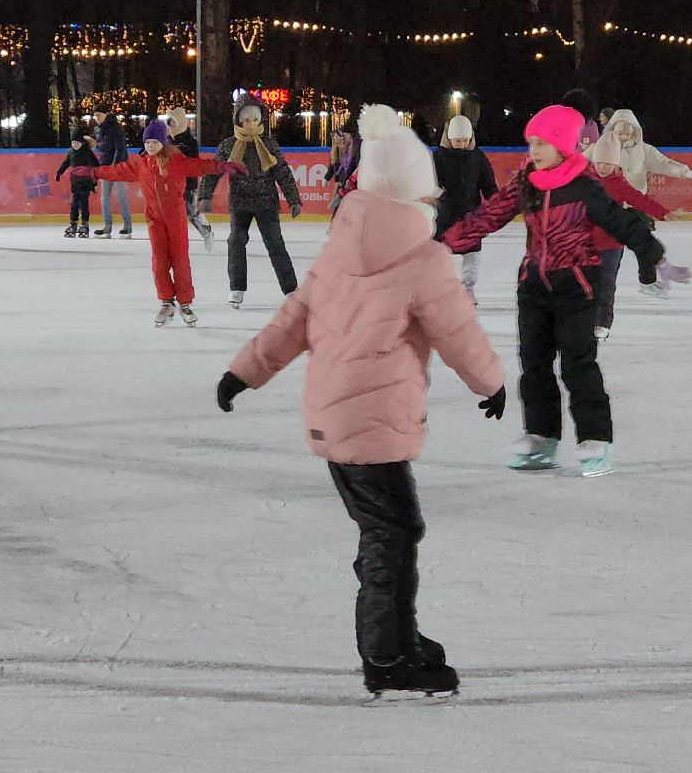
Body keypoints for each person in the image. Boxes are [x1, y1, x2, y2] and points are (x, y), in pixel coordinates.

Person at [215, 104, 506, 700]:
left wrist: (242, 373)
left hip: (333, 419)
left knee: (393, 529)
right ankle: (387, 656)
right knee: (392, 535)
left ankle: (400, 635)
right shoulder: (424, 259)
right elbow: (459, 334)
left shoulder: (338, 251)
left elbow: (290, 321)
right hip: (372, 425)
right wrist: (493, 383)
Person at [443, 105, 674, 477]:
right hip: (534, 285)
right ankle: (541, 437)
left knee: (578, 365)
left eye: (541, 143)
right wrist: (441, 244)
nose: (533, 150)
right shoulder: (527, 182)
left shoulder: (584, 187)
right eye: (531, 142)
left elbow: (620, 221)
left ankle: (595, 440)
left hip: (578, 284)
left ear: (563, 146)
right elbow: (488, 216)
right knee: (533, 364)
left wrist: (654, 256)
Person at [88, 116, 244, 326]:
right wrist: (93, 172)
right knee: (159, 261)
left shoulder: (177, 161)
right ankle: (166, 303)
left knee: (180, 260)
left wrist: (222, 167)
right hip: (154, 218)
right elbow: (117, 171)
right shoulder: (141, 165)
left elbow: (200, 166)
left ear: (163, 142)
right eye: (147, 142)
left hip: (176, 217)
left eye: (154, 142)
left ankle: (185, 304)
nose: (150, 146)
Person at [199, 101, 301, 308]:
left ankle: (291, 288)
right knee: (236, 241)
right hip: (240, 202)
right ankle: (237, 288)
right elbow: (214, 170)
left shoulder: (269, 145)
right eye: (246, 120)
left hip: (267, 203)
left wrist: (293, 200)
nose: (251, 124)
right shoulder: (228, 145)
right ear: (238, 121)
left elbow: (282, 172)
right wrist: (205, 195)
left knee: (275, 244)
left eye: (255, 119)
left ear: (261, 120)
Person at [587, 131, 674, 340]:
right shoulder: (585, 182)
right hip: (585, 243)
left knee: (606, 284)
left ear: (615, 164)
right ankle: (583, 321)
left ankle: (602, 323)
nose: (603, 167)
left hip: (611, 244)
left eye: (608, 163)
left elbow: (639, 199)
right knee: (585, 285)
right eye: (600, 162)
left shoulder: (620, 184)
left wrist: (663, 212)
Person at [431, 115, 496, 303]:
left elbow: (489, 185)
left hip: (471, 214)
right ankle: (442, 288)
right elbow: (429, 182)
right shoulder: (437, 157)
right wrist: (436, 195)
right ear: (449, 138)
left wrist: (495, 205)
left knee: (472, 252)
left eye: (465, 140)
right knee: (441, 252)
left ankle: (468, 287)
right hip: (444, 214)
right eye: (458, 140)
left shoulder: (477, 157)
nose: (461, 144)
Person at [596, 108, 692, 193]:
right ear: (612, 131)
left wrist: (684, 172)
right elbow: (584, 161)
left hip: (635, 203)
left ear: (634, 132)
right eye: (620, 134)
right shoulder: (601, 148)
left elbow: (663, 164)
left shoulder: (645, 151)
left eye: (627, 134)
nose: (624, 137)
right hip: (609, 204)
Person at [165, 109, 216, 249]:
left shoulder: (190, 142)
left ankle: (207, 233)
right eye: (169, 122)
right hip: (170, 183)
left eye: (173, 122)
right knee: (172, 213)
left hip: (188, 183)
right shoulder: (166, 140)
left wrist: (175, 152)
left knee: (192, 211)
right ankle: (173, 241)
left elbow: (191, 162)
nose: (171, 126)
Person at [93, 112, 134, 239]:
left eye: (99, 115)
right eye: (95, 116)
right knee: (104, 197)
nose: (96, 118)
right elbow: (101, 148)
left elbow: (120, 148)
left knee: (121, 195)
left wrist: (115, 165)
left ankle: (127, 226)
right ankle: (107, 226)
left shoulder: (116, 128)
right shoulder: (97, 129)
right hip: (105, 166)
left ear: (105, 115)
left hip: (118, 166)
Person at [55, 130, 99, 237]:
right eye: (73, 143)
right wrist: (59, 172)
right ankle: (73, 223)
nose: (75, 145)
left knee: (84, 204)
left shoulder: (87, 152)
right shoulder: (70, 152)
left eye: (77, 143)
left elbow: (96, 164)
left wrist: (96, 177)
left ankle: (85, 224)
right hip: (75, 182)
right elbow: (65, 163)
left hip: (86, 183)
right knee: (74, 204)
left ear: (82, 143)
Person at [327, 126, 360, 216]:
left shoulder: (354, 147)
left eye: (344, 136)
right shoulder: (338, 150)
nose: (338, 140)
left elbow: (353, 165)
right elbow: (335, 165)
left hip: (350, 180)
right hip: (344, 180)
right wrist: (328, 178)